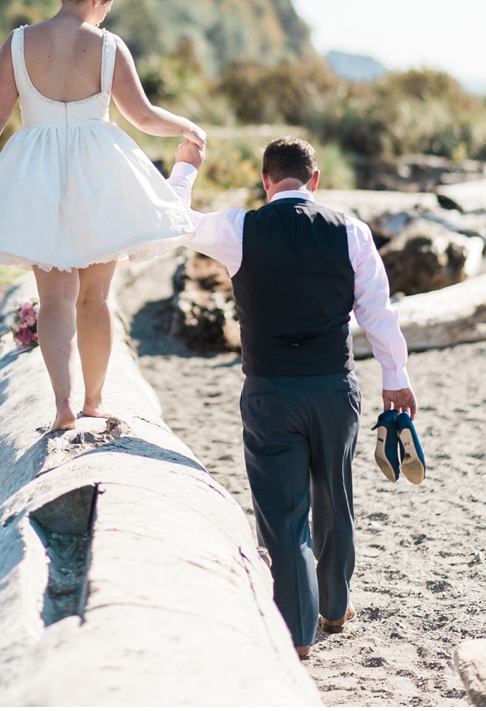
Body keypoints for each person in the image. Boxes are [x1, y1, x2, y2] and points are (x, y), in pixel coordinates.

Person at [165, 135, 417, 659]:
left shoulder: (240, 228)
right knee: (334, 497)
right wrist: (397, 376)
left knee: (282, 513)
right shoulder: (351, 231)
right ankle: (334, 606)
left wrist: (186, 168)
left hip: (270, 390)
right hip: (333, 386)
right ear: (315, 181)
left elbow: (171, 219)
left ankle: (298, 634)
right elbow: (378, 312)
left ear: (265, 180)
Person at [0, 0, 204, 431]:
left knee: (55, 299)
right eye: (107, 5)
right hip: (99, 174)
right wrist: (189, 128)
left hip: (34, 172)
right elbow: (142, 116)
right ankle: (94, 401)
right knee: (95, 298)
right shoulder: (107, 46)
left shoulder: (19, 42)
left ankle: (62, 404)